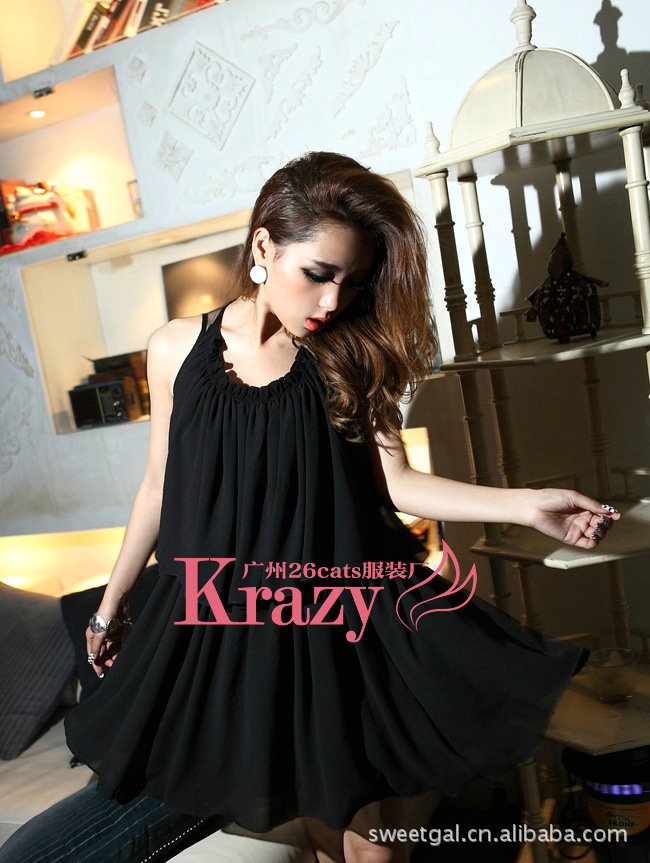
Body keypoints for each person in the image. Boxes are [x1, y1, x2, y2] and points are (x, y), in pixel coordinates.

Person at [0, 152, 620, 863]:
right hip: (209, 631)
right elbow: (158, 488)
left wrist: (528, 504)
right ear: (264, 246)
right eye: (318, 274)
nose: (333, 302)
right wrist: (111, 607)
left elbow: (396, 481)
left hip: (324, 624)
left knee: (368, 850)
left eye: (352, 282)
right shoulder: (175, 348)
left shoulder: (346, 356)